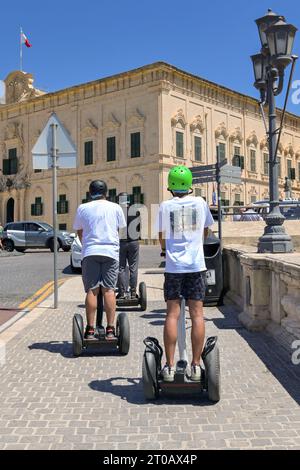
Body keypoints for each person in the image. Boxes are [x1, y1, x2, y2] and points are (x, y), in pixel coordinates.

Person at [157, 165, 214, 382]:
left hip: (174, 268)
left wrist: (166, 249)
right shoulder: (200, 203)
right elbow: (207, 230)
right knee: (197, 314)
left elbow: (161, 236)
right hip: (195, 266)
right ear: (190, 185)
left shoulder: (164, 206)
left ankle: (169, 367)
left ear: (170, 185)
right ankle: (196, 366)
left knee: (172, 314)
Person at [73, 180, 126, 340]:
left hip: (90, 252)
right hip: (110, 252)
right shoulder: (115, 207)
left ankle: (90, 330)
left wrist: (87, 245)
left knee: (92, 291)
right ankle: (110, 329)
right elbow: (118, 230)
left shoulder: (83, 208)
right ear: (106, 193)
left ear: (90, 193)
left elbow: (80, 232)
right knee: (109, 290)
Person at [117, 192, 141, 299]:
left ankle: (121, 293)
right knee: (133, 268)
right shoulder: (135, 211)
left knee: (121, 268)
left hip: (121, 242)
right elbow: (139, 228)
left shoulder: (117, 212)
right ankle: (133, 292)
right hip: (133, 241)